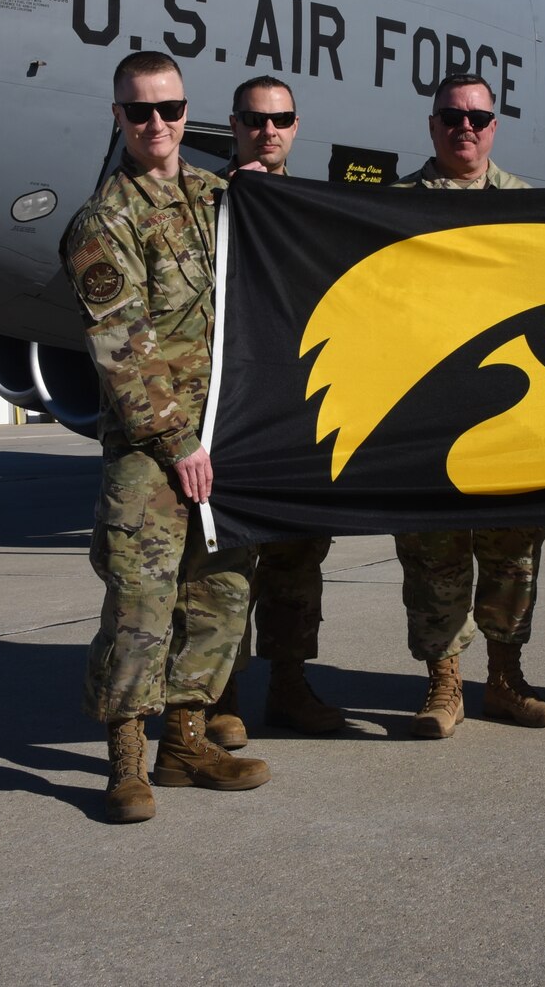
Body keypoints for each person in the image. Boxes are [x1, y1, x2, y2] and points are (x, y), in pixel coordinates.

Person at [59, 50, 270, 822]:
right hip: (154, 452)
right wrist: (180, 442)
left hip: (227, 441)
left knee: (221, 594)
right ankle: (126, 759)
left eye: (170, 109)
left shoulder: (219, 197)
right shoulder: (101, 221)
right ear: (117, 116)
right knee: (141, 604)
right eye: (140, 110)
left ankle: (185, 741)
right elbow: (123, 345)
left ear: (189, 113)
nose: (157, 124)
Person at [389, 73, 545, 738]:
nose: (466, 129)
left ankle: (507, 677)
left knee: (512, 550)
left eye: (479, 118)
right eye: (452, 118)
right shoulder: (393, 206)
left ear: (496, 126)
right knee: (434, 551)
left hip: (511, 414)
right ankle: (444, 680)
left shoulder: (529, 208)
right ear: (432, 126)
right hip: (425, 413)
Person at [203, 75, 347, 745]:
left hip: (298, 416)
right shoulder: (205, 207)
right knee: (226, 566)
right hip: (230, 417)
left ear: (295, 126)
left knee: (296, 564)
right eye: (255, 120)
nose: (268, 130)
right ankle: (221, 696)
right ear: (234, 125)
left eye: (280, 119)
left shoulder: (316, 211)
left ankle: (289, 685)